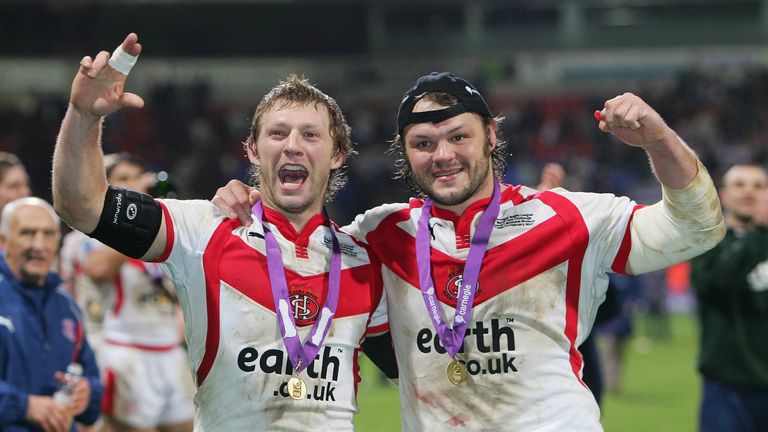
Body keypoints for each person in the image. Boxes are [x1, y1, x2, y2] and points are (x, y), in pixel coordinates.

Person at [215, 71, 725, 430]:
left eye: (458, 136)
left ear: (490, 135)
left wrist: (657, 137)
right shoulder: (378, 234)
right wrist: (242, 201)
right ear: (405, 152)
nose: (443, 155)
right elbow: (294, 252)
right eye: (423, 143)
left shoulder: (565, 217)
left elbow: (696, 228)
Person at [52, 33, 389, 431]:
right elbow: (83, 205)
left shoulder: (366, 261)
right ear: (251, 149)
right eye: (277, 133)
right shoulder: (203, 230)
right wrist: (84, 116)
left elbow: (432, 368)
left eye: (310, 135)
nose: (293, 146)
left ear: (337, 155)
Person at [70, 153, 194, 432]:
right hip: (126, 351)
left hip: (170, 353)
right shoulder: (91, 234)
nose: (134, 186)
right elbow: (98, 268)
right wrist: (133, 225)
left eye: (137, 178)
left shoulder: (162, 239)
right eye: (123, 180)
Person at [0, 197, 102, 432]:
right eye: (28, 233)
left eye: (48, 234)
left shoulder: (65, 305)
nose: (39, 245)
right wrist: (25, 406)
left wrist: (87, 394)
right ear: (4, 241)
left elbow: (92, 378)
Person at [690, 164, 768, 432]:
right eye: (740, 184)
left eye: (759, 186)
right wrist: (759, 233)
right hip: (727, 385)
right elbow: (714, 283)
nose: (749, 191)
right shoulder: (708, 241)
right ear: (723, 195)